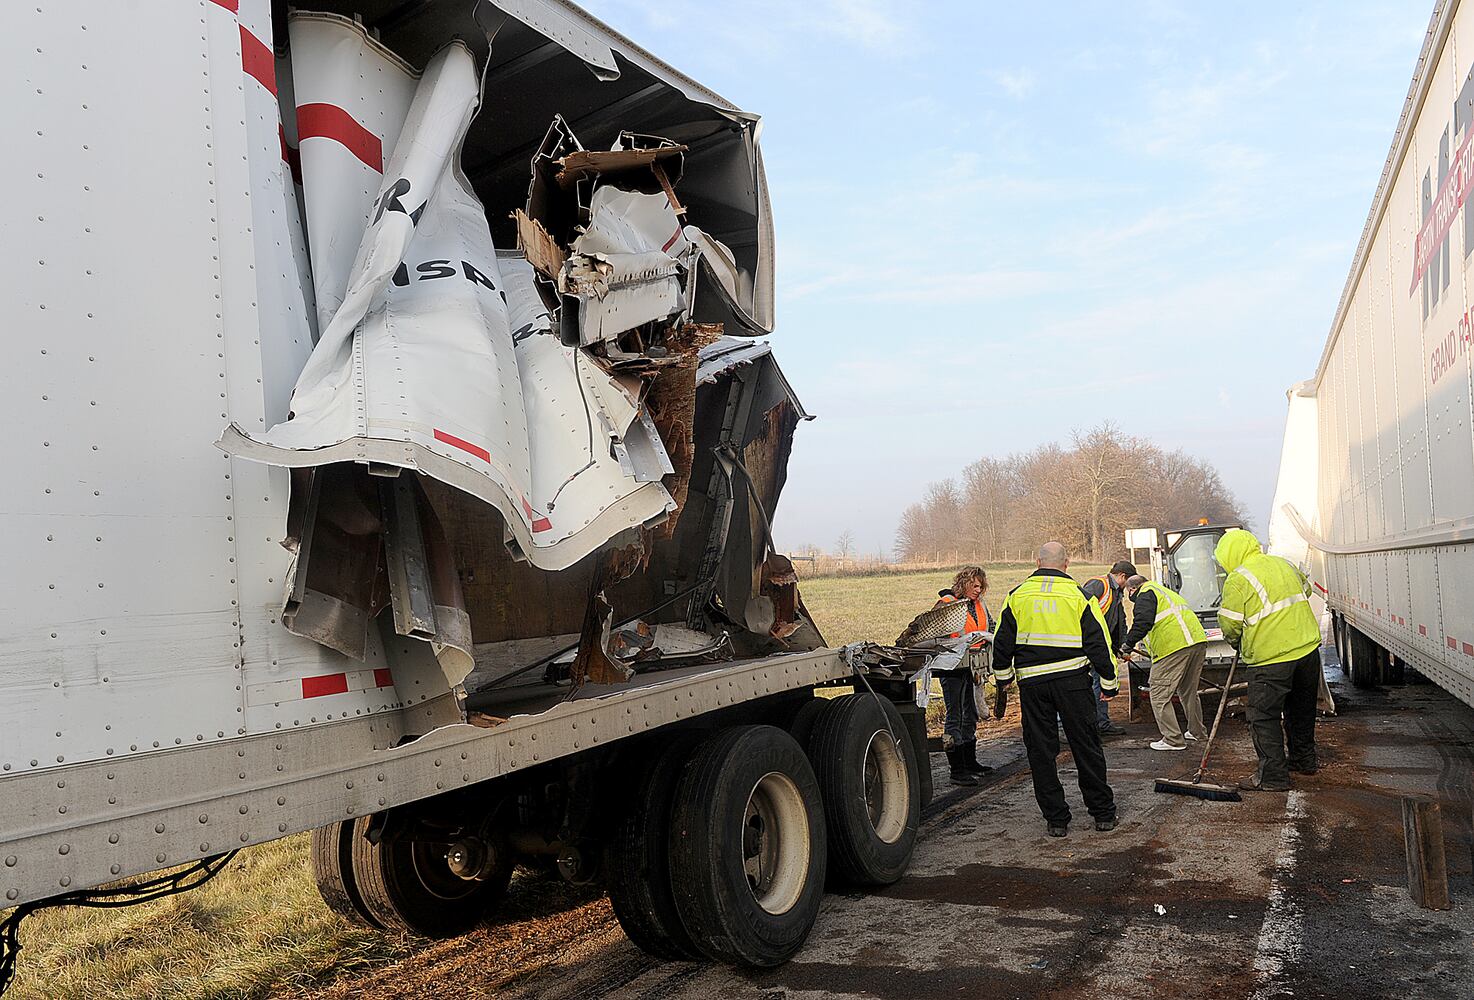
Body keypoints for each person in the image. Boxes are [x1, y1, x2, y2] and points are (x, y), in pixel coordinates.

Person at [992, 541, 1118, 837]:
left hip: (1033, 685)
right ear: (1067, 563)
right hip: (1073, 683)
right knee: (1086, 746)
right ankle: (1102, 814)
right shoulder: (1079, 596)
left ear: (1037, 562)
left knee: (1041, 751)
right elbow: (1099, 643)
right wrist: (1109, 683)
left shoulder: (1017, 596)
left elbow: (1002, 641)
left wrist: (1003, 678)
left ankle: (1056, 819)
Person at [1213, 529, 1323, 792]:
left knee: (1263, 717)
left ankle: (1273, 777)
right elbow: (1305, 591)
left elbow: (1229, 624)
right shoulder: (1283, 563)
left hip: (1270, 659)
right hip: (1307, 651)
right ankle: (1304, 761)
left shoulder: (1238, 579)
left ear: (1229, 555)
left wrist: (1237, 642)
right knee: (1301, 710)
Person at [1122, 574, 1208, 751]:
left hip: (1174, 647)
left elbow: (1142, 622)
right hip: (1196, 642)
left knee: (1159, 693)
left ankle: (1173, 739)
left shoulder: (1145, 593)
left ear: (1132, 589)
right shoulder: (1165, 592)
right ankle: (1197, 732)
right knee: (1188, 691)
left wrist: (1127, 645)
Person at [933, 567, 994, 785]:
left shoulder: (980, 605)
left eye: (981, 586)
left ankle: (970, 763)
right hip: (951, 667)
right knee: (955, 715)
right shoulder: (947, 604)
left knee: (970, 715)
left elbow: (990, 626)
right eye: (974, 585)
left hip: (973, 665)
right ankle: (957, 770)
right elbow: (935, 637)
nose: (978, 590)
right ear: (964, 583)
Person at [1079, 560, 1136, 737]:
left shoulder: (1116, 594)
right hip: (1088, 646)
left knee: (1102, 683)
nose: (1129, 588)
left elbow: (1120, 623)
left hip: (1101, 646)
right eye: (1129, 582)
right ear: (1122, 576)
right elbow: (1080, 612)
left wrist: (1122, 645)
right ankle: (1090, 725)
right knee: (1089, 684)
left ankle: (1101, 723)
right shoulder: (1098, 584)